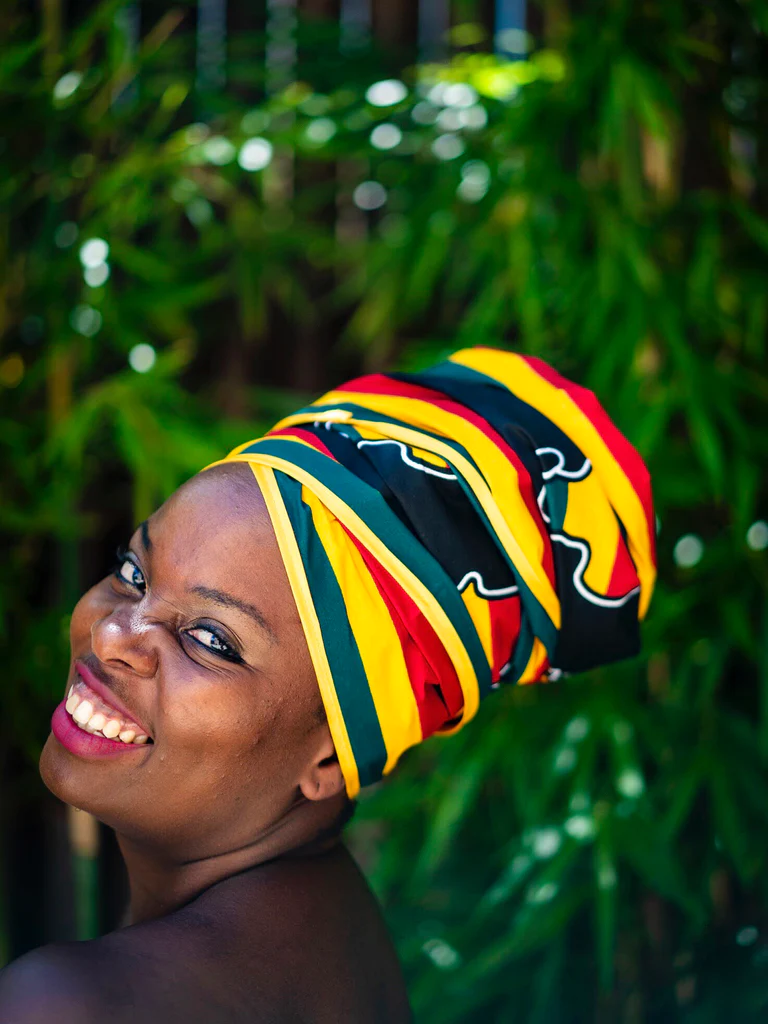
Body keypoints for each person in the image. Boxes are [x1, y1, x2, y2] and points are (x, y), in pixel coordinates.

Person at [0, 347, 655, 1023]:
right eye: (133, 572)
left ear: (330, 757)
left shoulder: (70, 1005)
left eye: (210, 640)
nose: (112, 635)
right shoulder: (332, 945)